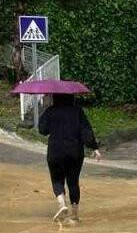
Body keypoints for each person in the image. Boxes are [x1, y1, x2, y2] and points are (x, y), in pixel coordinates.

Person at [38, 94, 101, 223]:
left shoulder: (50, 111)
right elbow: (86, 131)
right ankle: (75, 216)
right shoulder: (77, 111)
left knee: (57, 179)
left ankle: (62, 204)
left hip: (55, 152)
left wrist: (46, 109)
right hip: (75, 152)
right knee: (73, 182)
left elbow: (42, 130)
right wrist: (94, 148)